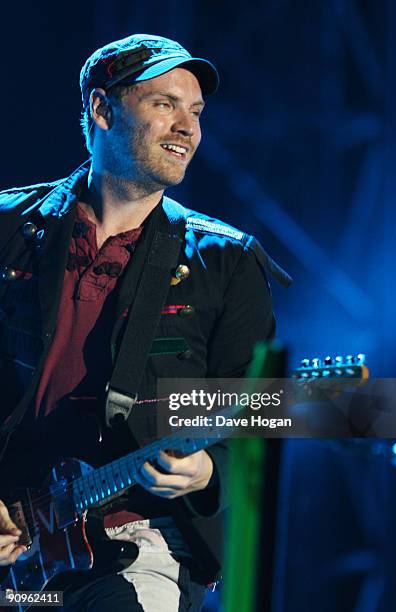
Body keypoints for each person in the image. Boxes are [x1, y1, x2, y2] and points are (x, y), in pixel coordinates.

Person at [0, 34, 286, 611]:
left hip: (140, 541)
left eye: (196, 112)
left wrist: (210, 469)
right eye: (164, 104)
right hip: (15, 540)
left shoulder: (224, 261)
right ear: (101, 110)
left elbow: (263, 408)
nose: (188, 127)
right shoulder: (9, 229)